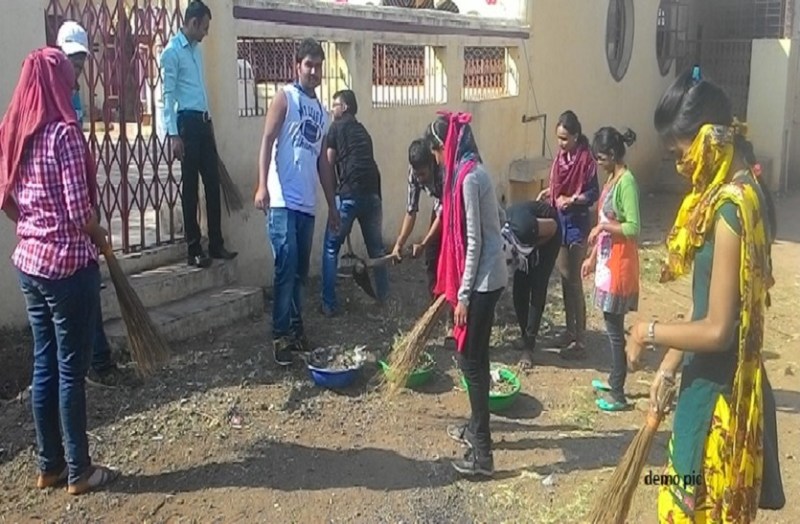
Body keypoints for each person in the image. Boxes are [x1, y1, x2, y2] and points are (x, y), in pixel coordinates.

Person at [625, 67, 785, 522]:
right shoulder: (750, 191)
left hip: (717, 403)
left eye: (682, 153)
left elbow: (717, 329)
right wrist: (669, 365)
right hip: (721, 385)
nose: (682, 166)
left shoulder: (730, 210)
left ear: (710, 138)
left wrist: (647, 331)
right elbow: (709, 306)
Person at [0, 47, 118, 495]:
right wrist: (99, 232)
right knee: (71, 370)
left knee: (44, 364)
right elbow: (79, 212)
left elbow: (6, 198)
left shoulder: (15, 130)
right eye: (69, 78)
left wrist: (33, 225)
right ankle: (79, 471)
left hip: (30, 266)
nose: (73, 85)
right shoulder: (62, 135)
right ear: (57, 83)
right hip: (67, 268)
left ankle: (49, 466)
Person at [428, 112, 507, 477]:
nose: (437, 157)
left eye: (437, 150)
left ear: (447, 146)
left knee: (470, 362)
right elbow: (492, 222)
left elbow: (474, 241)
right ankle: (476, 428)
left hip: (483, 283)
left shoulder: (469, 178)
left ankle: (483, 455)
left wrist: (462, 296)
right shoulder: (471, 171)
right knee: (478, 358)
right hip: (486, 278)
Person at [255, 38, 340, 366]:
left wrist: (332, 205)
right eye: (309, 65)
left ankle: (296, 327)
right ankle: (280, 336)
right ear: (297, 66)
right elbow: (267, 140)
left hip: (307, 204)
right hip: (281, 199)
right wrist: (262, 186)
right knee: (285, 265)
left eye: (318, 66)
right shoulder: (285, 98)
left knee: (300, 272)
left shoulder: (321, 112)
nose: (314, 71)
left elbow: (323, 164)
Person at [55, 20, 129, 388]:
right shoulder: (50, 98)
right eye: (72, 61)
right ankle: (90, 363)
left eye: (82, 62)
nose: (77, 69)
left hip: (79, 201)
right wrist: (88, 220)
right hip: (63, 215)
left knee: (90, 282)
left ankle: (97, 360)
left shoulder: (75, 97)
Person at [161, 0, 237, 268]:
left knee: (212, 184)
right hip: (187, 124)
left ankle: (216, 243)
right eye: (204, 28)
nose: (206, 33)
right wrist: (173, 135)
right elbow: (167, 96)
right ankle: (193, 248)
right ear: (193, 23)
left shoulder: (196, 52)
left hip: (203, 122)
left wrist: (209, 121)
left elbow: (200, 91)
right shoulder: (172, 53)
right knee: (190, 186)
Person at [580, 127, 640, 412]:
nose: (598, 163)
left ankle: (618, 392)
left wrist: (603, 226)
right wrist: (592, 258)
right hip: (607, 260)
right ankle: (614, 379)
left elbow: (633, 227)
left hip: (620, 265)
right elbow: (605, 223)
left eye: (601, 158)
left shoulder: (627, 183)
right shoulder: (612, 179)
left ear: (613, 155)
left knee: (615, 330)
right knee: (610, 325)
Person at [321, 89, 388, 315]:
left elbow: (328, 163)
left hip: (349, 195)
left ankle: (328, 304)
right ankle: (384, 299)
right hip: (372, 194)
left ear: (345, 107)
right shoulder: (363, 131)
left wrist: (333, 200)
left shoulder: (335, 128)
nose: (332, 109)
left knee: (331, 247)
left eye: (335, 105)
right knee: (377, 250)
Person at [538, 110, 599, 359]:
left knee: (575, 282)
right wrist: (549, 192)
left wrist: (573, 199)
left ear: (575, 136)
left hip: (577, 223)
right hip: (560, 222)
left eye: (565, 138)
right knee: (564, 279)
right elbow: (557, 186)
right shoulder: (561, 160)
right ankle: (569, 330)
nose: (561, 143)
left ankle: (580, 339)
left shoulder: (586, 161)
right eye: (559, 138)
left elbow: (592, 193)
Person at [500, 200, 561, 369]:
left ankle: (529, 347)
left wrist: (534, 246)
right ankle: (524, 335)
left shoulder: (525, 229)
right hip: (526, 241)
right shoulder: (503, 229)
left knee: (537, 287)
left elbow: (553, 226)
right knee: (519, 289)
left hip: (549, 237)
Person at [391, 138, 444, 298]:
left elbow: (443, 215)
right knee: (431, 256)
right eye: (417, 174)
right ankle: (435, 300)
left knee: (448, 254)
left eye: (423, 174)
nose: (419, 178)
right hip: (440, 205)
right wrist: (399, 244)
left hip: (457, 207)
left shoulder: (443, 171)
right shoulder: (413, 172)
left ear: (431, 165)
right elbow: (411, 210)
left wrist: (423, 243)